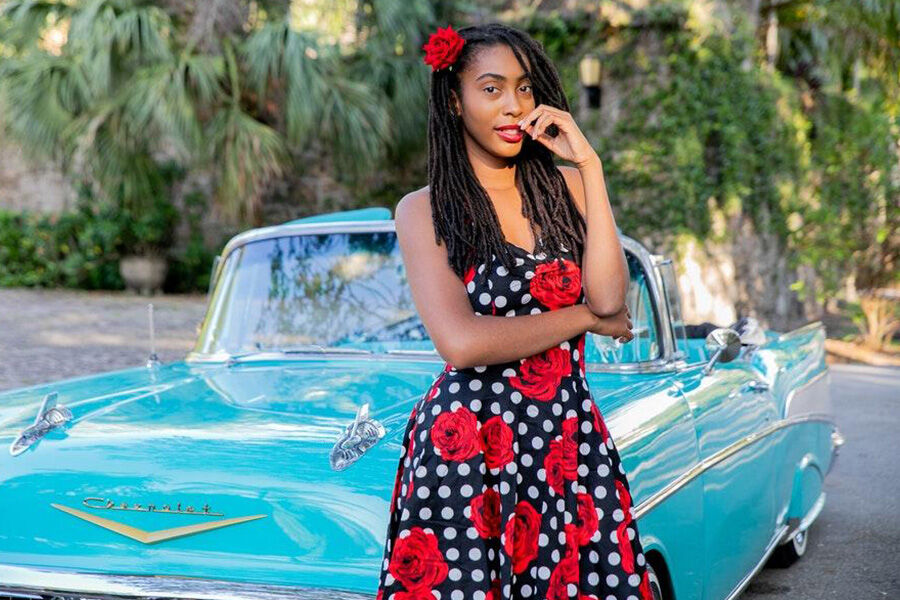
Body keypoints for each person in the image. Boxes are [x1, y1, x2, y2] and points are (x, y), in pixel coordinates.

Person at [375, 22, 654, 600]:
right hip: (469, 447)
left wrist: (590, 167)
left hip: (568, 438)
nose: (514, 105)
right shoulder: (424, 209)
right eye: (491, 89)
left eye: (524, 88)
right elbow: (462, 343)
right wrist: (583, 319)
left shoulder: (566, 189)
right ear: (455, 102)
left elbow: (609, 299)